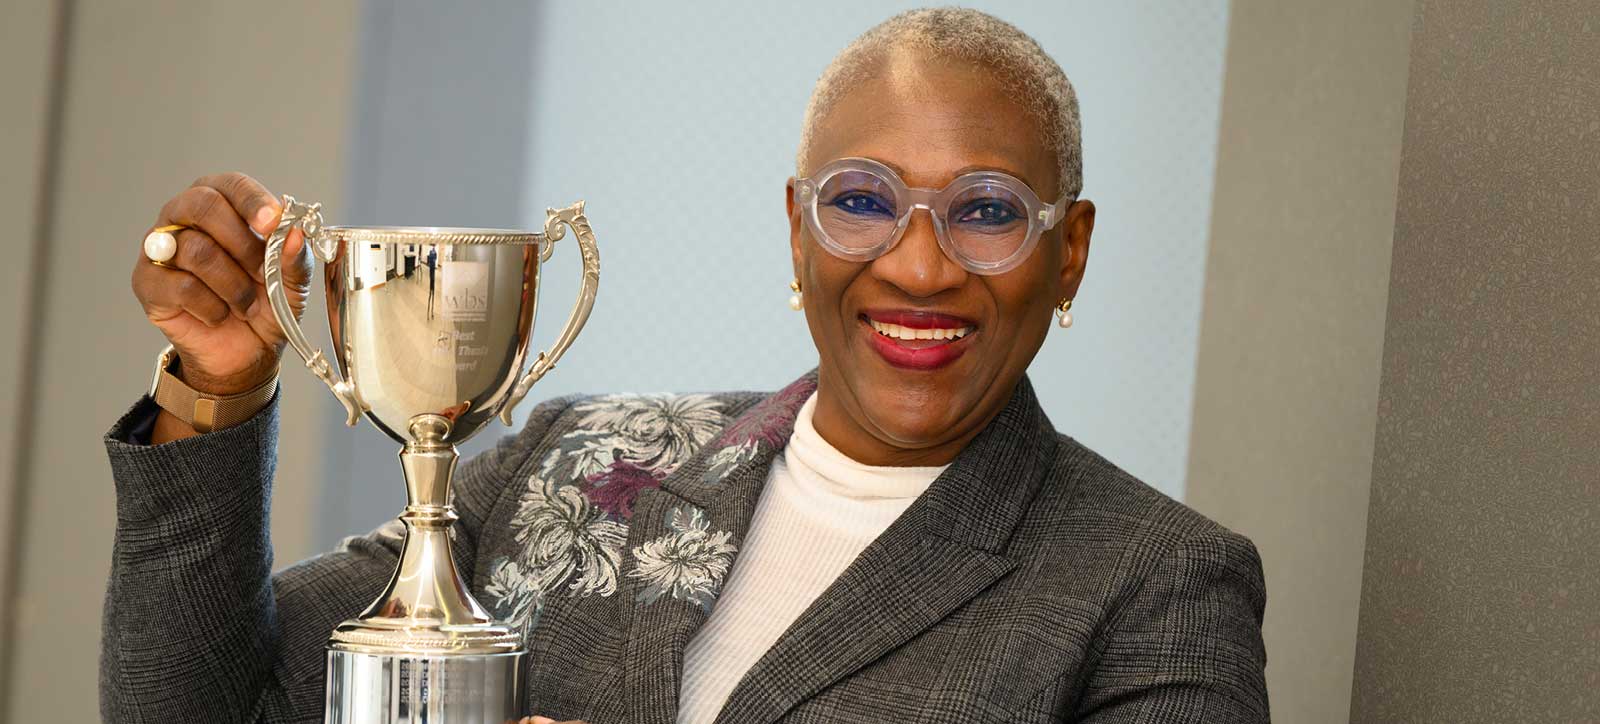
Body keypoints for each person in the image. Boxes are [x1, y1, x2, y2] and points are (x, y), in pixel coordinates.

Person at [104, 8, 1268, 723]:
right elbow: (206, 707)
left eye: (986, 211)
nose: (919, 266)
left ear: (1068, 254)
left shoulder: (1152, 582)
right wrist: (218, 385)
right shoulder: (577, 457)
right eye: (860, 201)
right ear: (796, 230)